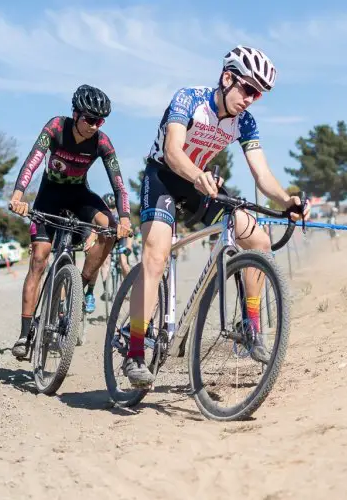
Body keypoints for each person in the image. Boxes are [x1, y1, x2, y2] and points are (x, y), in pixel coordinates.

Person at [123, 46, 310, 387]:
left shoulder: (245, 122)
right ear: (227, 78)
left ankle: (251, 327)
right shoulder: (189, 100)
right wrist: (197, 176)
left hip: (201, 184)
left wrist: (287, 200)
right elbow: (172, 150)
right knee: (156, 256)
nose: (252, 99)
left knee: (256, 237)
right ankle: (135, 351)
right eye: (249, 89)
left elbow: (262, 175)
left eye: (259, 94)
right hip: (164, 177)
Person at [8, 84, 131, 358]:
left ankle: (84, 286)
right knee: (39, 260)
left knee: (109, 229)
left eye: (100, 121)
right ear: (75, 114)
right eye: (90, 119)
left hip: (79, 195)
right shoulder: (55, 127)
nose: (94, 126)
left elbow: (119, 185)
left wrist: (124, 219)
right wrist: (18, 196)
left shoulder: (101, 142)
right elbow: (32, 162)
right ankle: (24, 332)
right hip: (49, 196)